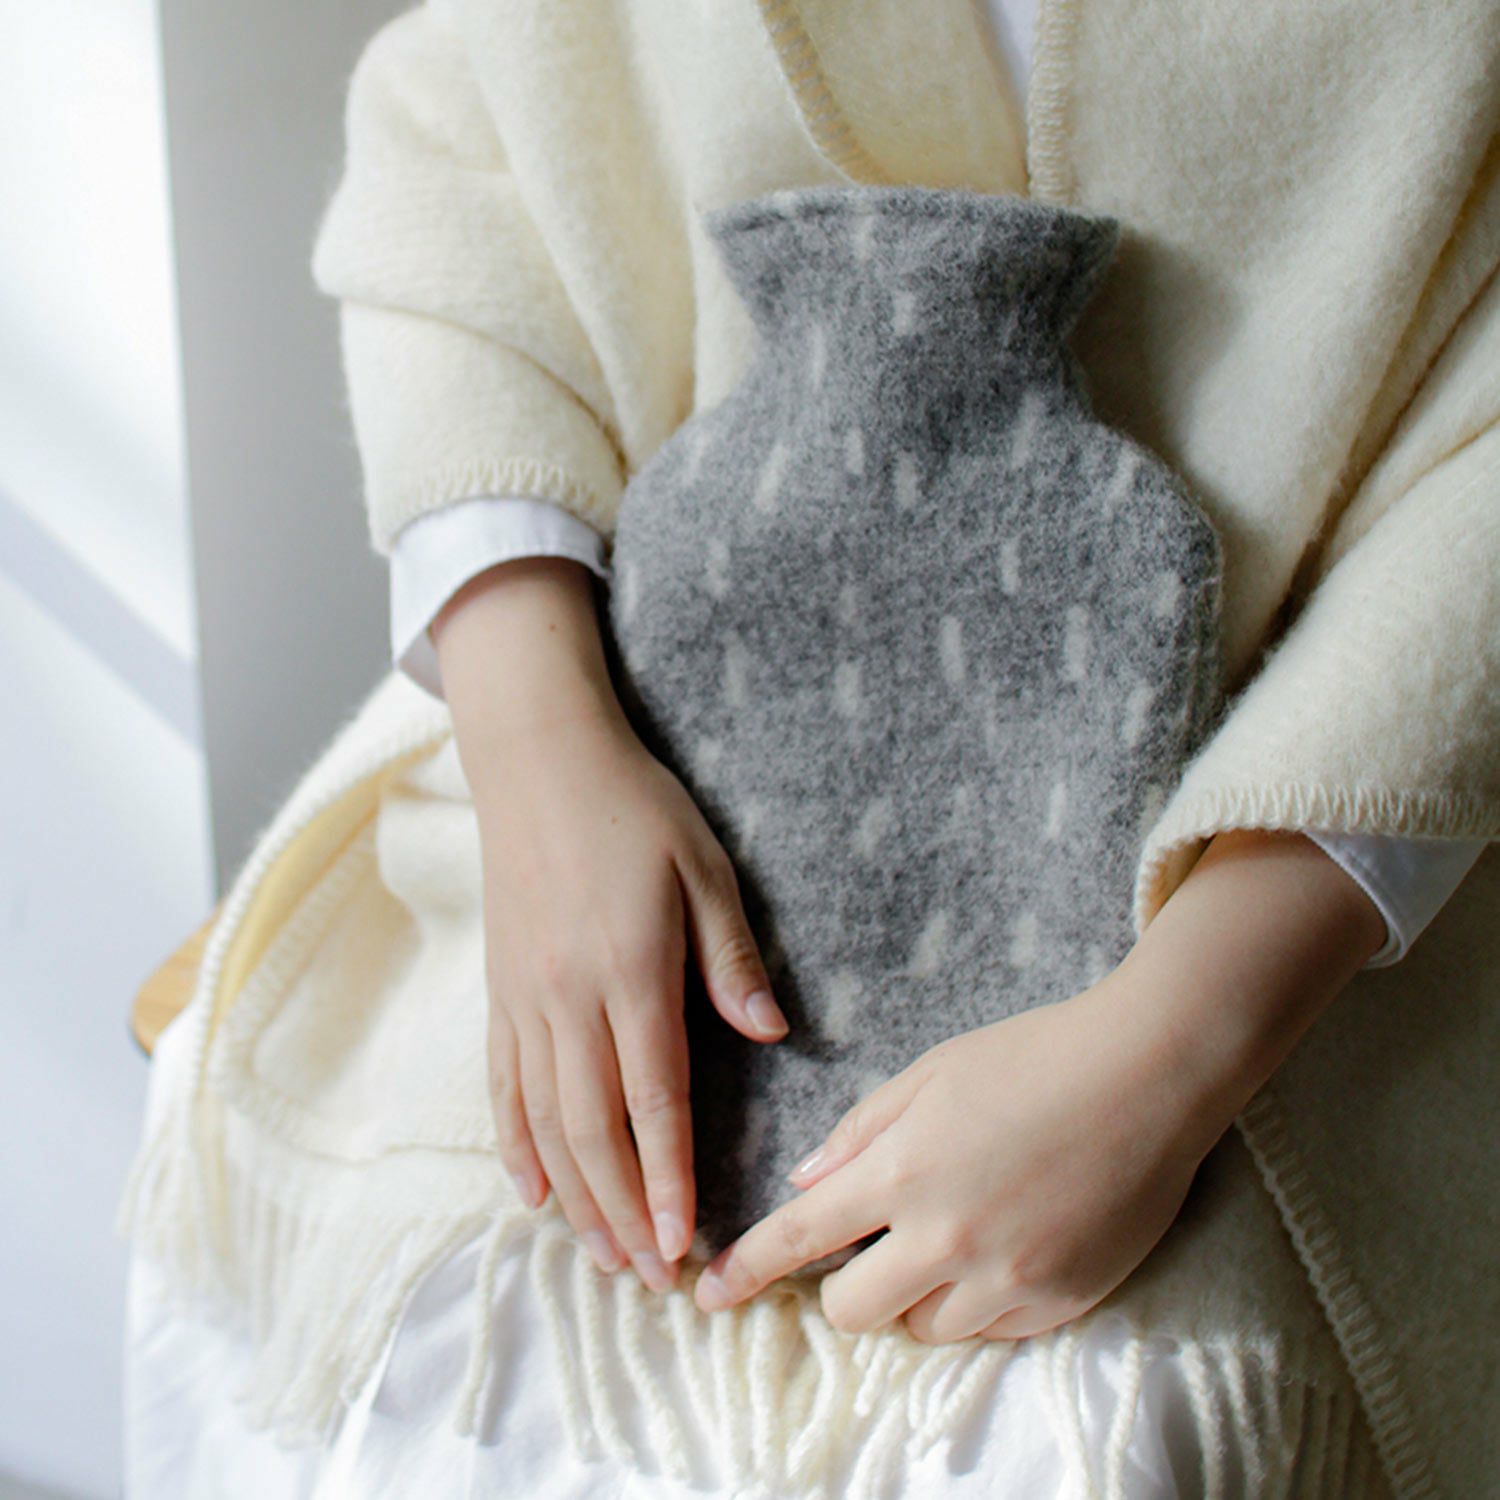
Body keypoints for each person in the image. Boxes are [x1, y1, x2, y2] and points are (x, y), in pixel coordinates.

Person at [121, 1, 1500, 1495]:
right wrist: (538, 755)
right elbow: (455, 152)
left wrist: (1177, 1048)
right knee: (438, 1368)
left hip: (1311, 891)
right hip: (586, 763)